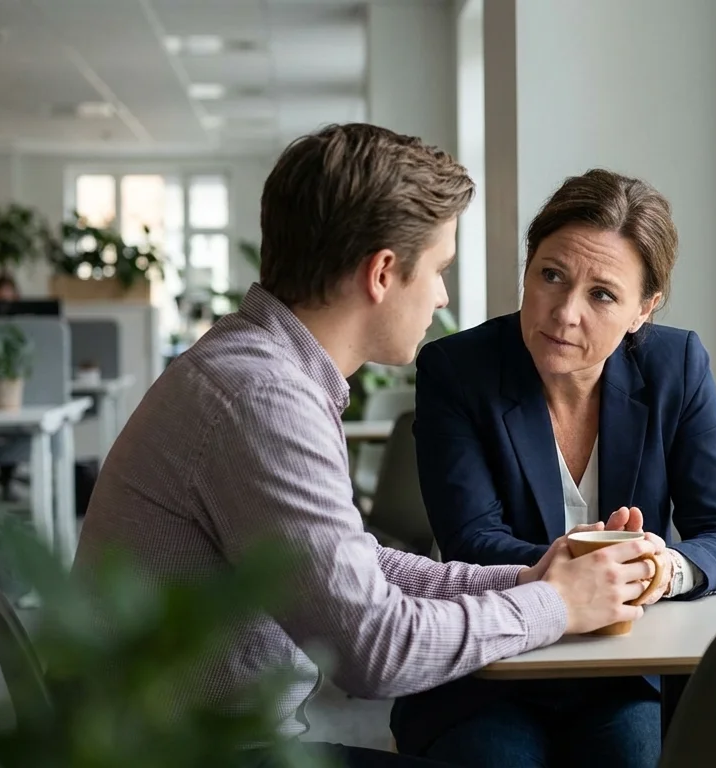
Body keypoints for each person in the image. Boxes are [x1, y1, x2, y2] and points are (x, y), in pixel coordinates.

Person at [72, 126, 663, 768]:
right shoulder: (263, 396)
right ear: (382, 274)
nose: (441, 295)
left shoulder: (260, 368)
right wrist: (557, 604)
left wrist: (526, 578)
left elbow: (355, 566)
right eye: (438, 270)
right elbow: (374, 650)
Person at [391, 169, 716, 767]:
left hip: (625, 667)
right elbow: (472, 541)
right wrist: (592, 570)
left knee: (630, 754)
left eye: (603, 294)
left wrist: (662, 569)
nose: (564, 313)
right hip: (491, 664)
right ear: (527, 270)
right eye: (551, 276)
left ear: (643, 310)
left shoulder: (677, 366)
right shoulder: (458, 370)